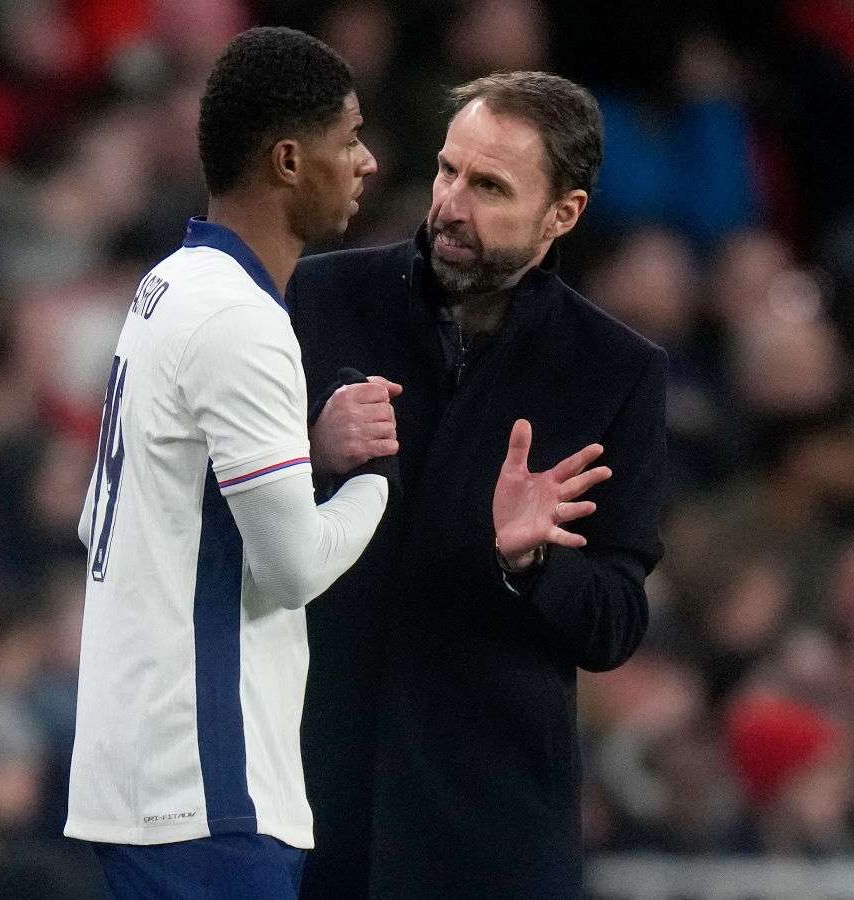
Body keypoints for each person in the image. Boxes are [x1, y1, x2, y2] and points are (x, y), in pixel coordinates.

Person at [290, 71, 667, 898]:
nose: (451, 205)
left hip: (488, 835)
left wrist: (530, 565)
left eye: (489, 186)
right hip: (302, 801)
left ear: (561, 215)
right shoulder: (321, 299)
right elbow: (221, 511)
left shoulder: (616, 374)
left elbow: (616, 622)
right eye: (447, 170)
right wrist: (311, 453)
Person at [64, 26, 389, 899]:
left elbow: (120, 511)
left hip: (148, 774)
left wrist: (304, 453)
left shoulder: (171, 285)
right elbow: (291, 568)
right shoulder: (242, 320)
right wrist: (378, 481)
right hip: (204, 785)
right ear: (289, 159)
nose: (365, 162)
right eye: (348, 138)